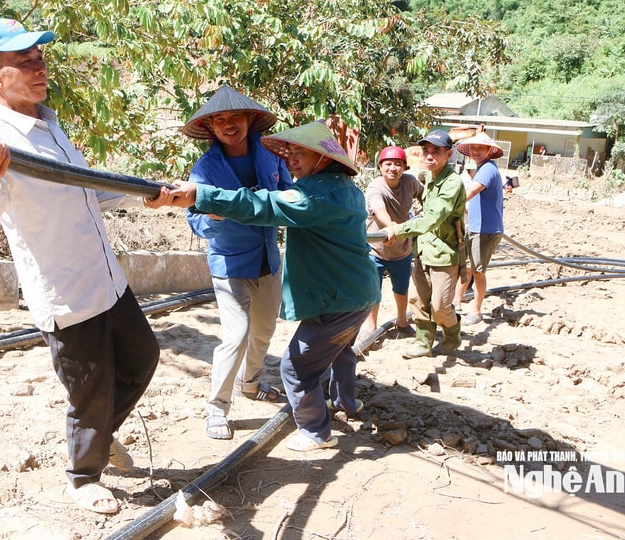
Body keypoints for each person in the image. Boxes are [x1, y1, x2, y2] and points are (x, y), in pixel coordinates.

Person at [0, 18, 166, 515]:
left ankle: (99, 439)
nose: (38, 67)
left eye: (39, 57)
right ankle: (83, 476)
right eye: (23, 61)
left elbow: (86, 188)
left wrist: (149, 194)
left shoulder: (48, 125)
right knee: (89, 390)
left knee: (142, 359)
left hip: (106, 278)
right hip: (67, 292)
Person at [168, 121, 380, 451]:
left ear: (325, 158)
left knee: (294, 368)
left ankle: (316, 432)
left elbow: (267, 204)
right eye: (291, 153)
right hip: (353, 290)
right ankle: (346, 403)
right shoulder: (344, 187)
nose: (292, 160)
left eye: (302, 153)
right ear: (210, 127)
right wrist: (206, 207)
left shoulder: (314, 195)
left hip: (333, 297)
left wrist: (202, 195)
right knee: (338, 350)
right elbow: (211, 220)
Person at [180, 85, 292, 441]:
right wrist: (215, 216)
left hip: (268, 260)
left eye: (235, 117)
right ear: (211, 128)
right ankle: (217, 407)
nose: (229, 124)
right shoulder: (205, 169)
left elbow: (289, 193)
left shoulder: (269, 153)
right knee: (237, 335)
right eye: (220, 120)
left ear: (249, 121)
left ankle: (250, 382)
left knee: (264, 332)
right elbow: (196, 221)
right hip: (230, 264)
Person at [384, 129, 466, 359]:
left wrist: (398, 230)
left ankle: (452, 335)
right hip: (423, 249)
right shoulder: (429, 177)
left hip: (444, 253)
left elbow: (432, 219)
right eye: (426, 151)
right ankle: (423, 342)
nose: (429, 156)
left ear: (448, 155)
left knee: (440, 307)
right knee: (419, 300)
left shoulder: (452, 183)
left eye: (436, 152)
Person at [361, 145, 423, 339]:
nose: (393, 168)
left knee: (401, 288)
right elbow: (379, 210)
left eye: (398, 164)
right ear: (380, 166)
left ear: (404, 167)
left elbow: (426, 196)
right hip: (376, 249)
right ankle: (372, 328)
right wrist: (391, 227)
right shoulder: (375, 187)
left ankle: (402, 322)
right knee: (373, 292)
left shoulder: (410, 182)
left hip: (402, 249)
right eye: (388, 164)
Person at [454, 131, 505, 326]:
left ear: (489, 150)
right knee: (466, 268)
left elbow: (470, 192)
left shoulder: (487, 169)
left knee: (477, 271)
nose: (475, 151)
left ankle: (476, 311)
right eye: (473, 148)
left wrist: (445, 207)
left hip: (486, 230)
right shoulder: (484, 168)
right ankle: (456, 304)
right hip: (475, 227)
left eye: (480, 148)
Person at [452, 158, 478, 312]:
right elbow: (464, 206)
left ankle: (458, 298)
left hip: (472, 227)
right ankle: (456, 298)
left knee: (467, 266)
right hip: (461, 227)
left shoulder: (475, 181)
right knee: (461, 264)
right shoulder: (463, 182)